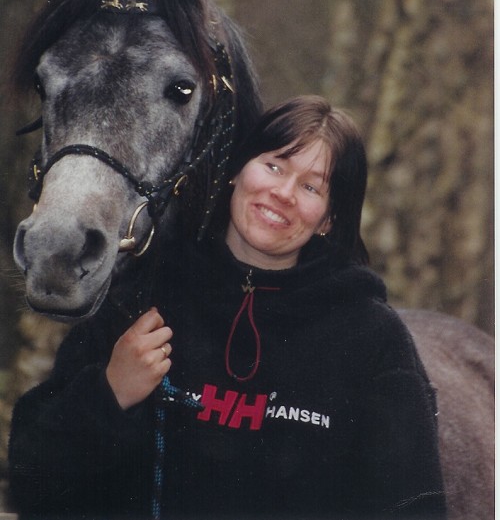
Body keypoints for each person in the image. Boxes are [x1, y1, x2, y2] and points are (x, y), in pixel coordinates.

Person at [8, 95, 447, 519]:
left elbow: (413, 507)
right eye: (274, 166)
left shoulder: (370, 336)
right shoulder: (141, 297)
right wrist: (109, 394)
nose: (284, 192)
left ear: (329, 218)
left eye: (311, 186)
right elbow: (32, 481)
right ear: (238, 169)